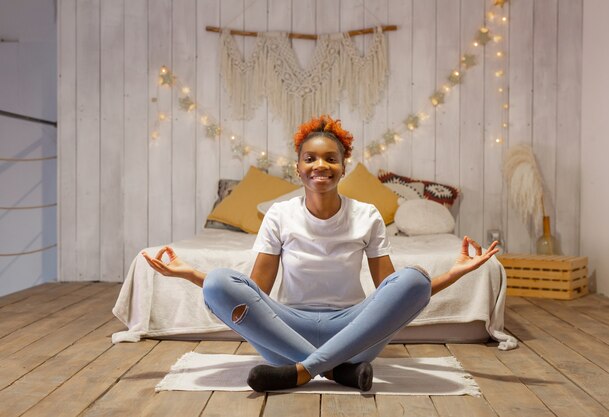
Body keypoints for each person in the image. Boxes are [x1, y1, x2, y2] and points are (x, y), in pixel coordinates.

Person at [142, 115, 499, 393]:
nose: (320, 166)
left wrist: (454, 274)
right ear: (297, 167)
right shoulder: (279, 215)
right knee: (219, 281)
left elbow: (391, 292)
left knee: (413, 279)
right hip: (285, 330)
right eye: (310, 158)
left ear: (344, 166)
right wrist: (192, 275)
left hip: (353, 332)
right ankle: (332, 370)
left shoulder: (367, 215)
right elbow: (255, 292)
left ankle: (302, 370)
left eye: (331, 159)